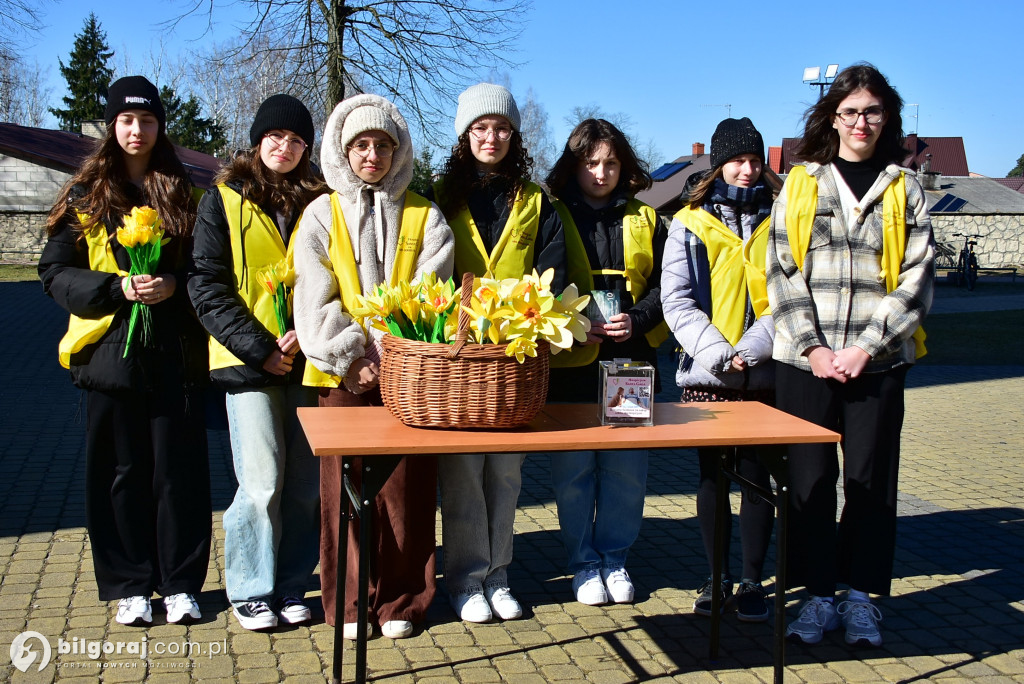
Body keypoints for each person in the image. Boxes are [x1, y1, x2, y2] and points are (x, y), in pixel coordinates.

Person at [766, 63, 934, 647]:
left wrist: (866, 347)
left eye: (873, 112)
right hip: (803, 364)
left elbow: (916, 279)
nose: (861, 122)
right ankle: (815, 598)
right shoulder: (802, 182)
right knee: (809, 482)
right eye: (850, 112)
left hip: (879, 364)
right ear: (831, 117)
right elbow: (781, 271)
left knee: (868, 481)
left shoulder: (904, 186)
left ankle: (861, 597)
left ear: (887, 117)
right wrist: (813, 348)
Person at [39, 76, 210, 627]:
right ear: (113, 127)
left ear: (161, 128)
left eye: (148, 121)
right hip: (108, 358)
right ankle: (130, 585)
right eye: (127, 120)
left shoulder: (183, 195)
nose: (137, 130)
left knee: (177, 474)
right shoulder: (87, 197)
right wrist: (116, 290)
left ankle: (180, 583)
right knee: (120, 473)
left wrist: (173, 286)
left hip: (172, 358)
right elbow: (54, 272)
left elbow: (202, 271)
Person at [292, 94, 454, 640]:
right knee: (344, 489)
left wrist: (385, 357)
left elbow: (430, 293)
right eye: (360, 144)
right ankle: (349, 604)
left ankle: (403, 600)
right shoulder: (320, 213)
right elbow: (314, 296)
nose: (372, 155)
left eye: (382, 145)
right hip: (340, 374)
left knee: (406, 491)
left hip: (407, 376)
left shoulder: (425, 215)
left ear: (398, 150)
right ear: (343, 150)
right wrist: (348, 356)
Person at [426, 82, 568, 623]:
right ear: (464, 136)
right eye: (481, 129)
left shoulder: (535, 200)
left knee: (506, 473)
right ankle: (465, 579)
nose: (492, 137)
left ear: (515, 134)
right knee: (462, 471)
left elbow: (553, 272)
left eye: (502, 128)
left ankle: (499, 575)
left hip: (515, 356)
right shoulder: (442, 197)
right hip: (460, 359)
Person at [189, 94, 327, 631]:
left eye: (296, 140)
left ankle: (293, 582)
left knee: (304, 484)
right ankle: (250, 587)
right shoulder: (222, 198)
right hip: (246, 362)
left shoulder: (322, 201)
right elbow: (206, 285)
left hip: (308, 362)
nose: (285, 147)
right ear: (256, 139)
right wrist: (261, 347)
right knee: (262, 480)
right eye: (276, 137)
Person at [544, 118, 666, 606]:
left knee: (626, 468)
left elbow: (668, 290)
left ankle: (615, 558)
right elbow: (539, 284)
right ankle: (582, 563)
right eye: (590, 162)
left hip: (631, 364)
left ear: (625, 166)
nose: (601, 172)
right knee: (573, 471)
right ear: (574, 165)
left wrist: (636, 320)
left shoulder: (648, 218)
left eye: (611, 162)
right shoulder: (551, 216)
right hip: (571, 363)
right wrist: (573, 324)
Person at [661, 117, 778, 623]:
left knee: (756, 479)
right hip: (708, 375)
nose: (748, 170)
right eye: (737, 160)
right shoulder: (689, 222)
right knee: (712, 478)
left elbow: (791, 296)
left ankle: (752, 580)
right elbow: (677, 300)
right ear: (718, 164)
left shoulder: (784, 217)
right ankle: (716, 577)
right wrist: (717, 353)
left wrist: (751, 350)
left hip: (764, 372)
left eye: (754, 160)